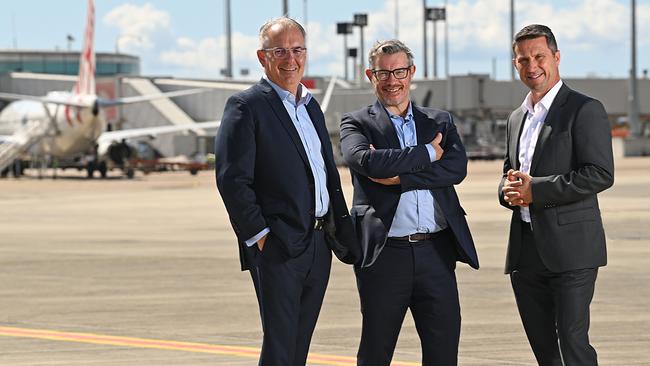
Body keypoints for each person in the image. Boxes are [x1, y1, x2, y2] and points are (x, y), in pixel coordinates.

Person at [214, 17, 359, 366]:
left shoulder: (310, 106)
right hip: (279, 247)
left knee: (298, 347)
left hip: (318, 244)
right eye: (280, 51)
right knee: (280, 348)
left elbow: (325, 173)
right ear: (263, 57)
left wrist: (337, 230)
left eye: (297, 50)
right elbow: (232, 180)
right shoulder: (246, 106)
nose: (290, 59)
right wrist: (261, 237)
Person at [340, 39, 479, 366]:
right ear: (370, 75)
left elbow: (456, 169)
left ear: (411, 72)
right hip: (385, 254)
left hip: (437, 253)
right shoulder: (356, 122)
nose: (392, 80)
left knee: (443, 353)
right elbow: (367, 163)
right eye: (383, 72)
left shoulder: (439, 121)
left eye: (399, 71)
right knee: (376, 352)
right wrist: (429, 154)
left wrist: (402, 178)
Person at [499, 24, 614, 365]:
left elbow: (600, 173)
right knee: (544, 350)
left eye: (539, 56)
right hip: (526, 251)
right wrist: (507, 191)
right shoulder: (516, 118)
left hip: (572, 250)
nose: (532, 66)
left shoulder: (583, 109)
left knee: (572, 344)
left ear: (556, 57)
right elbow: (510, 171)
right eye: (522, 60)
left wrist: (538, 190)